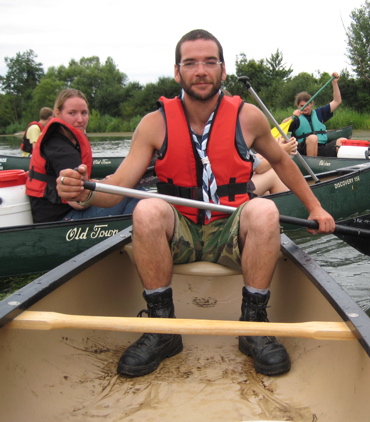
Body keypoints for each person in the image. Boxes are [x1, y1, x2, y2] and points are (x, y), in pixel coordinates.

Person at [57, 29, 335, 378]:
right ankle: (163, 329)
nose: (200, 71)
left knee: (265, 210)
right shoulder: (153, 124)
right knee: (147, 208)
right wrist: (82, 191)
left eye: (209, 62)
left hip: (231, 230)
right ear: (177, 72)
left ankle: (253, 326)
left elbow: (281, 161)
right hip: (181, 234)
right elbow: (117, 190)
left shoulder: (248, 117)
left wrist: (315, 207)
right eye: (190, 63)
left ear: (223, 69)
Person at [25, 89, 139, 223]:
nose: (80, 119)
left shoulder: (64, 140)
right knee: (134, 193)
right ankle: (128, 232)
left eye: (84, 113)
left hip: (61, 213)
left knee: (126, 190)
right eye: (72, 113)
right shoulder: (60, 148)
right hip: (60, 220)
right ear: (57, 114)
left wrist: (101, 183)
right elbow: (79, 203)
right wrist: (106, 184)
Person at [284, 72, 345, 157]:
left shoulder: (320, 112)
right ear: (298, 106)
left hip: (321, 147)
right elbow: (282, 126)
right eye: (301, 106)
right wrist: (292, 117)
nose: (305, 108)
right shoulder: (296, 118)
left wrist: (334, 83)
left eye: (307, 105)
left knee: (342, 140)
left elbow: (337, 101)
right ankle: (312, 163)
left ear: (311, 104)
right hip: (303, 150)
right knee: (313, 138)